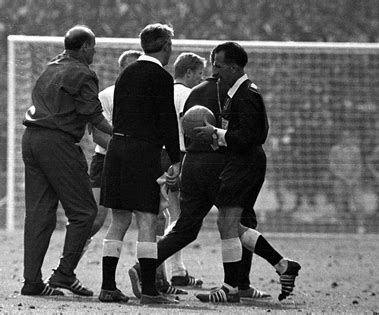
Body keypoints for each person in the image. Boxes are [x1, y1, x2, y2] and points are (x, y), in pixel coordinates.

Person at [130, 46, 271, 300]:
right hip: (220, 165)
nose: (214, 69)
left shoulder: (192, 93)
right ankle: (241, 284)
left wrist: (178, 164)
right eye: (214, 65)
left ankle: (144, 267)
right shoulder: (228, 93)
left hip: (190, 162)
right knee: (241, 220)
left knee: (185, 227)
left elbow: (185, 130)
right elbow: (243, 135)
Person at [192, 42, 301, 303]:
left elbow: (253, 136)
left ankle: (230, 288)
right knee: (231, 223)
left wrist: (216, 133)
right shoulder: (236, 91)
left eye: (218, 65)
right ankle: (283, 265)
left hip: (246, 163)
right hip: (240, 161)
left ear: (233, 66)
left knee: (227, 222)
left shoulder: (247, 93)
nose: (214, 70)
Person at [20, 25, 112, 297]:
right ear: (84, 47)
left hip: (32, 139)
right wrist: (121, 133)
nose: (94, 51)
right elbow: (95, 117)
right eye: (93, 46)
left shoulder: (51, 66)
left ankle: (32, 282)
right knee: (84, 211)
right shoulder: (83, 73)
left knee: (39, 214)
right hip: (57, 144)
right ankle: (64, 274)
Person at [99, 23, 181, 305]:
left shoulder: (126, 73)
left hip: (116, 148)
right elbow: (168, 121)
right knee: (147, 220)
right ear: (166, 46)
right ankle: (149, 290)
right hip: (142, 151)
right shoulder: (161, 76)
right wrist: (176, 159)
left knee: (119, 219)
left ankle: (107, 286)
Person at [84, 50, 143, 256]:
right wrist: (127, 152)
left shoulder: (148, 98)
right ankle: (68, 265)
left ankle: (159, 276)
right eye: (130, 67)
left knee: (153, 218)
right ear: (121, 70)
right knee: (96, 218)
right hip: (106, 160)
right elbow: (99, 135)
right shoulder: (106, 96)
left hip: (138, 164)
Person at [160, 52, 206, 288]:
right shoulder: (188, 95)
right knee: (180, 216)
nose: (201, 78)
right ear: (188, 72)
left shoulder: (162, 90)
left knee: (170, 212)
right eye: (199, 74)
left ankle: (176, 270)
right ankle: (170, 270)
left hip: (162, 154)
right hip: (181, 155)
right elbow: (190, 127)